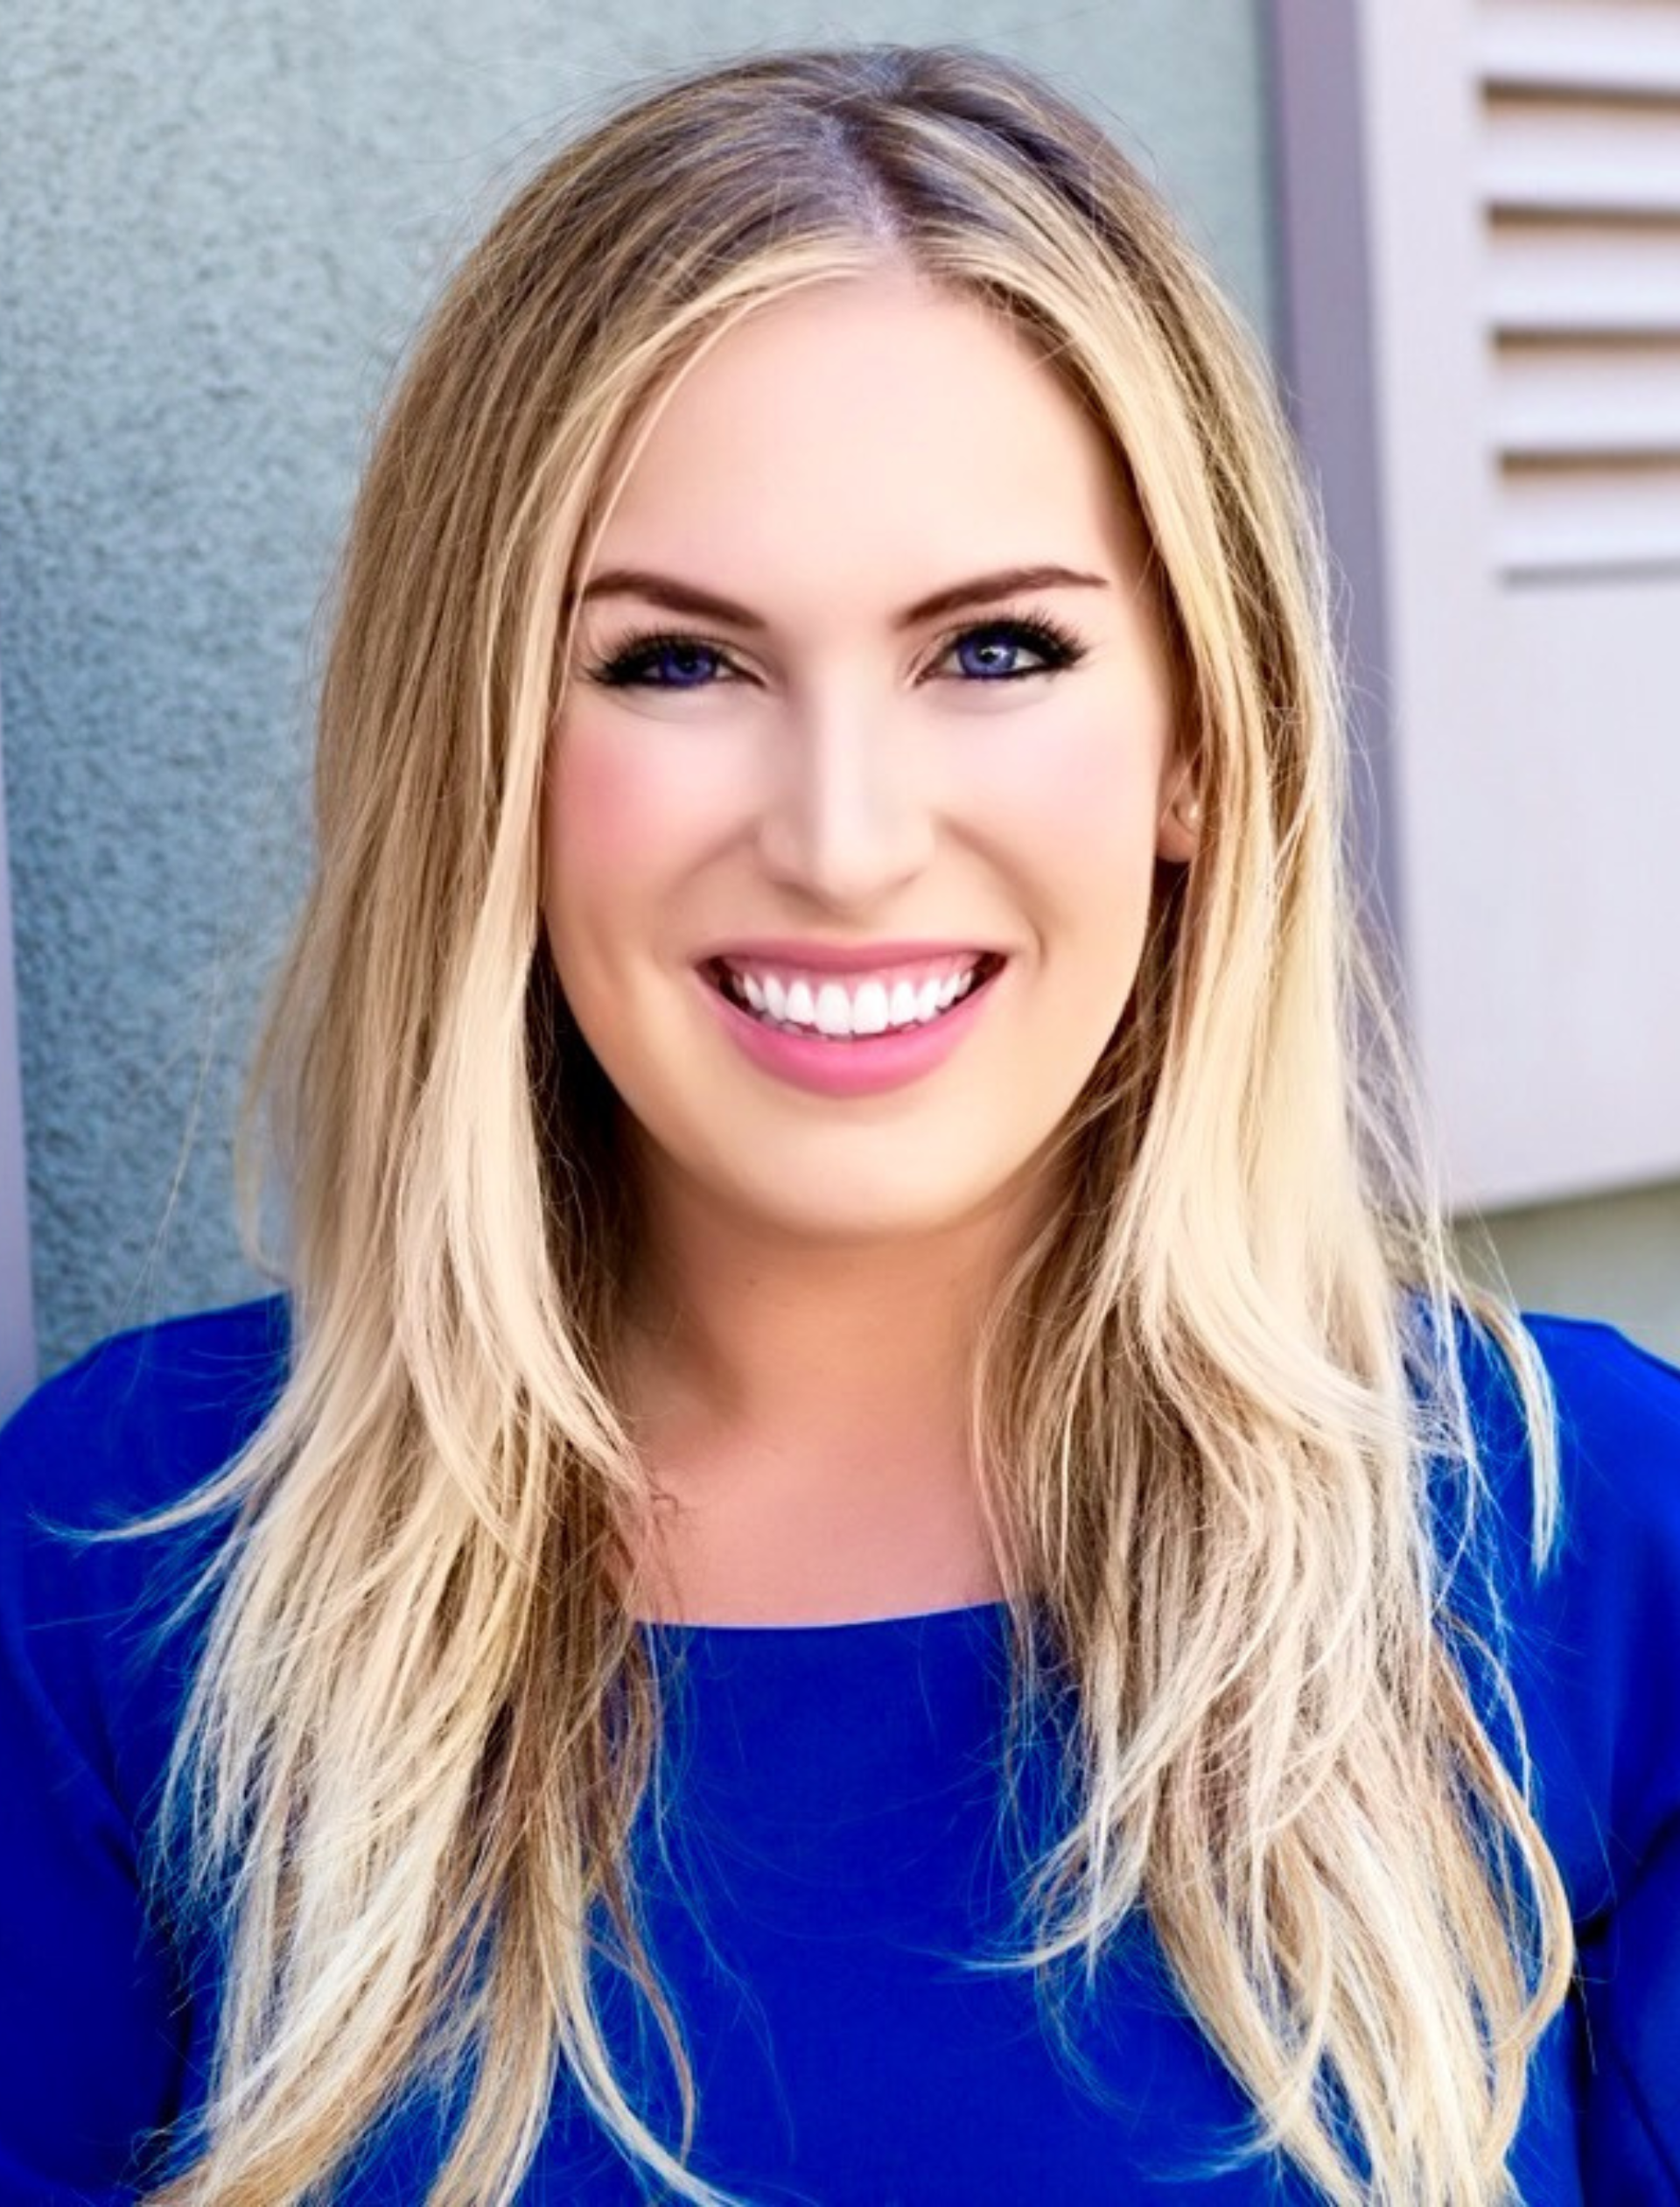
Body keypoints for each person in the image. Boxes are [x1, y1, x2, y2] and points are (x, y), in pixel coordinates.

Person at [0, 39, 1676, 2207]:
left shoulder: (1585, 1550)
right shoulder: (123, 1575)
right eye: (676, 665)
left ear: (1199, 745)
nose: (846, 836)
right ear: (490, 757)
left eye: (994, 650)